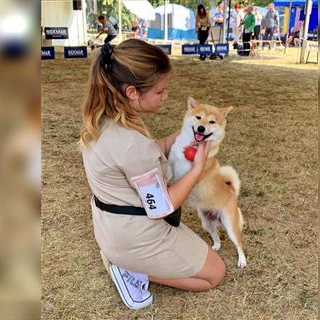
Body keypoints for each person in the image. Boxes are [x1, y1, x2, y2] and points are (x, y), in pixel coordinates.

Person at [80, 39, 226, 310]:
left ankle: (127, 261)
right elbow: (162, 206)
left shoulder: (102, 119)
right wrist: (197, 169)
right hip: (134, 235)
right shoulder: (132, 145)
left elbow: (139, 158)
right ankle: (132, 270)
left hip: (111, 226)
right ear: (133, 92)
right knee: (214, 274)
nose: (165, 96)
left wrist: (178, 140)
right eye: (160, 91)